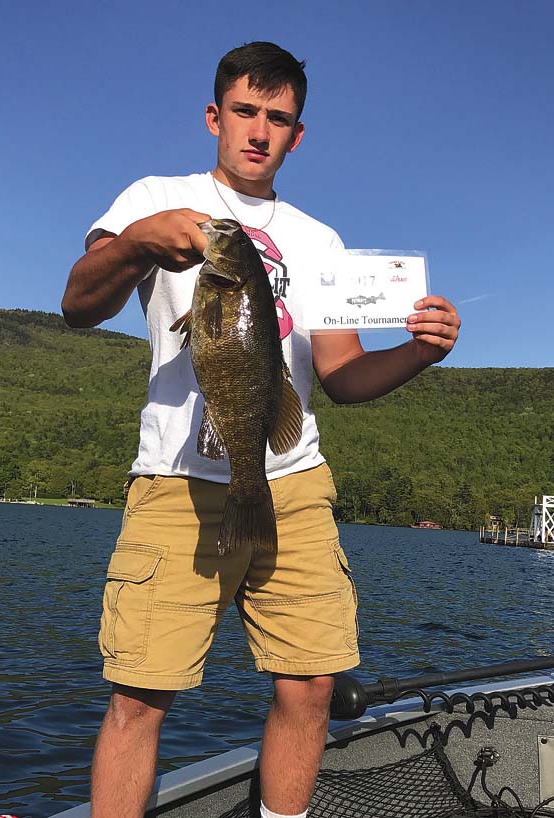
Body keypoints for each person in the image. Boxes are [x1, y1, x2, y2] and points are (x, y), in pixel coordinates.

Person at [62, 41, 460, 818]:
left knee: (311, 684)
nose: (258, 130)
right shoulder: (156, 197)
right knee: (140, 694)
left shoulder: (320, 241)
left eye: (277, 118)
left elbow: (342, 376)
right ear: (215, 117)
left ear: (296, 135)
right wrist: (138, 241)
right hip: (177, 478)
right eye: (245, 111)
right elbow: (78, 305)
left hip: (293, 480)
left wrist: (420, 351)